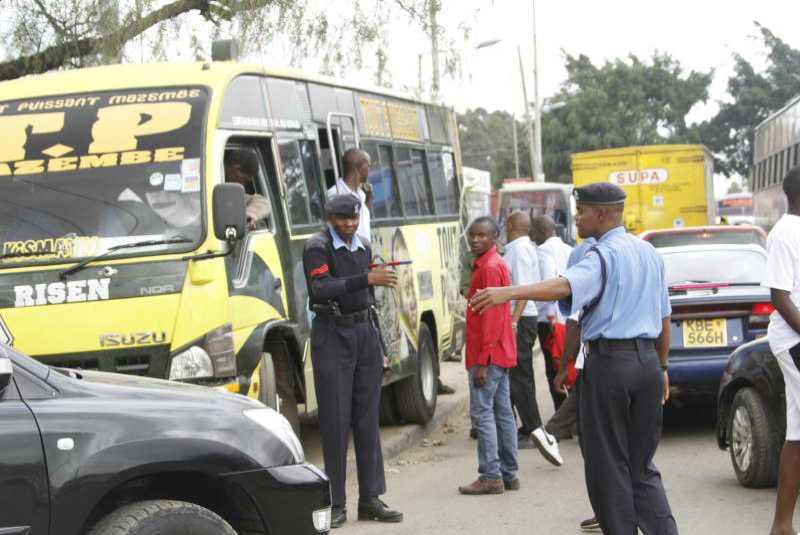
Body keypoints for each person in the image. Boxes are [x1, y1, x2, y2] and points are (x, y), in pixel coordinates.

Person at [471, 182, 677, 535]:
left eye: (581, 212)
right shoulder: (649, 253)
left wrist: (507, 293)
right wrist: (661, 366)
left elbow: (563, 286)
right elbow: (664, 317)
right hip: (647, 366)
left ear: (601, 213)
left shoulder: (601, 255)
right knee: (641, 466)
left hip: (611, 366)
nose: (577, 218)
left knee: (608, 467)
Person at [302, 194, 403, 528]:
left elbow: (368, 300)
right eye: (342, 219)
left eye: (353, 218)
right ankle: (335, 503)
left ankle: (371, 498)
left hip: (365, 335)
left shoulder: (363, 245)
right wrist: (366, 279)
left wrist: (381, 345)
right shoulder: (317, 246)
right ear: (330, 218)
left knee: (368, 419)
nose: (349, 224)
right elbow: (321, 288)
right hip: (333, 335)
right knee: (335, 421)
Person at [458, 216, 519, 495]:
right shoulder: (490, 264)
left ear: (495, 238)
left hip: (489, 354)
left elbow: (491, 319)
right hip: (499, 351)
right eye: (472, 235)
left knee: (483, 414)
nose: (475, 240)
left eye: (482, 235)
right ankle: (508, 473)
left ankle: (491, 475)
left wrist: (482, 362)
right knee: (502, 412)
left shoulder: (490, 268)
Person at [503, 211, 562, 465]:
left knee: (521, 377)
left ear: (510, 225)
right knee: (518, 376)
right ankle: (528, 427)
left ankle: (533, 429)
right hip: (524, 316)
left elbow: (523, 289)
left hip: (521, 317)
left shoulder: (518, 250)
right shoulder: (523, 248)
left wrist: (514, 321)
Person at [763, 167, 800, 535]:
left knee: (798, 434)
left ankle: (782, 525)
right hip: (794, 340)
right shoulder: (785, 233)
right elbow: (779, 296)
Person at [531, 213, 573, 409]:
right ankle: (573, 413)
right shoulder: (569, 249)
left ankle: (561, 412)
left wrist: (549, 316)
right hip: (570, 319)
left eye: (533, 231)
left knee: (553, 368)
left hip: (551, 321)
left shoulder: (543, 251)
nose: (531, 237)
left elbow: (549, 285)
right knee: (570, 365)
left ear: (542, 231)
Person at [327, 148, 373, 244]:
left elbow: (363, 222)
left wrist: (369, 197)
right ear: (361, 168)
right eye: (368, 166)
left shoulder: (361, 193)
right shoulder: (336, 194)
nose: (369, 170)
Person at [224, 149, 271, 230]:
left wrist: (247, 217)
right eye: (244, 180)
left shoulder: (234, 193)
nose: (243, 185)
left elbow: (264, 203)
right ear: (236, 169)